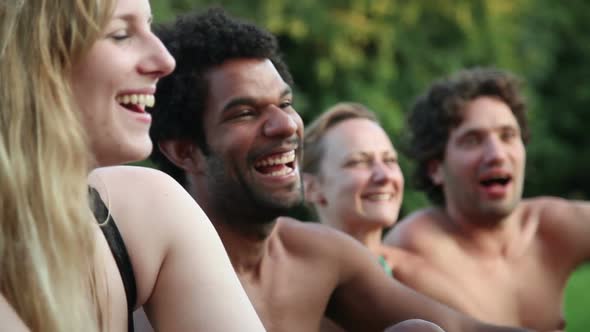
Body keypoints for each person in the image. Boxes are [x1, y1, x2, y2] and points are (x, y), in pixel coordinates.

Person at [149, 8, 530, 332]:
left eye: (284, 104)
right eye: (245, 113)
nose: (284, 126)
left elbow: (461, 327)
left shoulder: (318, 256)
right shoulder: (155, 274)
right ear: (185, 151)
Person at [0, 1, 265, 331]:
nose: (165, 61)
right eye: (121, 34)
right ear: (22, 58)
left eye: (150, 27)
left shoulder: (149, 211)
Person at [384, 67, 590, 331]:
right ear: (435, 168)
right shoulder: (409, 251)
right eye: (473, 140)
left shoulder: (550, 226)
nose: (497, 154)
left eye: (508, 136)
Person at [303, 102, 408, 278]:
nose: (384, 176)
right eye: (358, 162)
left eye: (389, 160)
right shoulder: (298, 279)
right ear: (312, 188)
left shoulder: (420, 271)